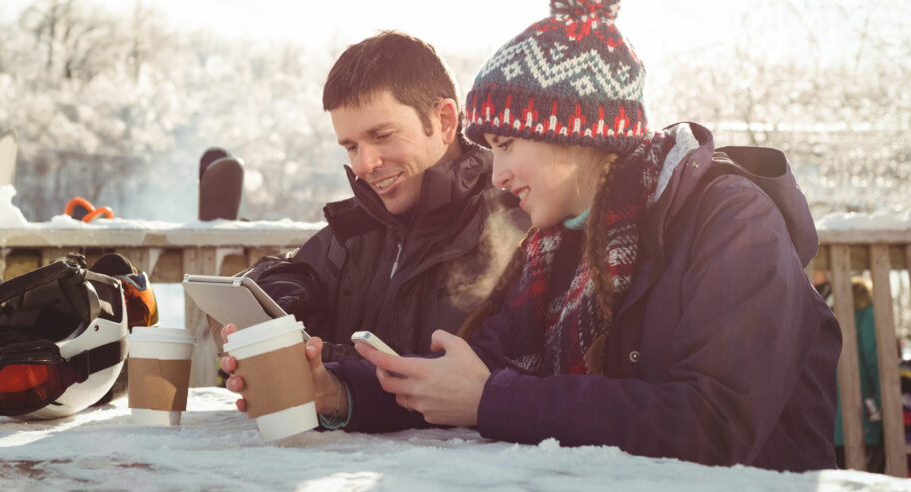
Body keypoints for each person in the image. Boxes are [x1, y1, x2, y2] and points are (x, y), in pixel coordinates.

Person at [222, 0, 840, 472]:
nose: (497, 174)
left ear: (578, 133)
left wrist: (494, 402)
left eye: (507, 144)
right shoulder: (558, 245)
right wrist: (335, 390)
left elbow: (717, 424)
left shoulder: (730, 221)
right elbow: (461, 377)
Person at [239, 31, 530, 360]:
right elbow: (289, 270)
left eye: (383, 135)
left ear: (445, 121)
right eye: (351, 146)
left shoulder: (516, 226)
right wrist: (280, 296)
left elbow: (460, 385)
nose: (364, 165)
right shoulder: (359, 227)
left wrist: (330, 372)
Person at [814, 273, 885, 473]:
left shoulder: (860, 309)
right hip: (827, 424)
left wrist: (881, 408)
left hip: (860, 420)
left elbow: (876, 362)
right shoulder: (814, 302)